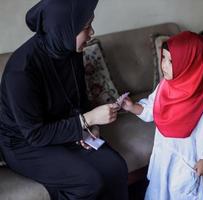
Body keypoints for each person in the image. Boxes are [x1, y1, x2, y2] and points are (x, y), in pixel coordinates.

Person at [0, 0, 128, 199]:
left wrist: (88, 128)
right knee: (88, 181)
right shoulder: (21, 71)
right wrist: (87, 120)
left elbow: (78, 98)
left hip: (63, 127)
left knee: (115, 166)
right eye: (86, 27)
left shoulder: (70, 51)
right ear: (63, 28)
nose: (92, 32)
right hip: (24, 144)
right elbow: (35, 135)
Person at [122, 31, 203, 200]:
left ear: (190, 64)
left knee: (181, 191)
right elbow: (152, 108)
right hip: (164, 153)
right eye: (163, 58)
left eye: (171, 61)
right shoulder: (164, 87)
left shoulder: (201, 101)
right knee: (159, 190)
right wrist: (132, 107)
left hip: (185, 159)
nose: (164, 65)